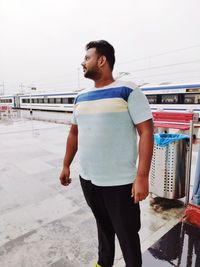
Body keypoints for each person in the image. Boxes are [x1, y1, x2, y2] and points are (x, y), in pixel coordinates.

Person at [59, 40, 154, 267]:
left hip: (120, 183)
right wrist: (66, 165)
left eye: (87, 58)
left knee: (127, 233)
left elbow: (147, 131)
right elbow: (74, 133)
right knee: (103, 225)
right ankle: (104, 263)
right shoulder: (80, 97)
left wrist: (141, 177)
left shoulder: (128, 90)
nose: (82, 63)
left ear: (101, 60)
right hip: (88, 178)